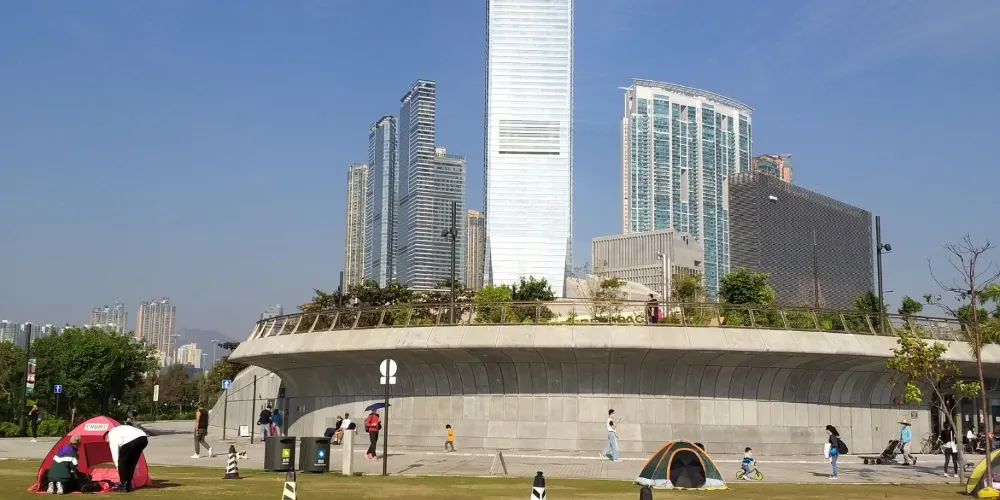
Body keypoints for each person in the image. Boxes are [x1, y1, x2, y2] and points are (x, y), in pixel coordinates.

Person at [104, 424, 148, 493]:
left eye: (108, 442)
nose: (109, 443)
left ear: (107, 437)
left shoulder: (111, 435)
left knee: (122, 462)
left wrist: (117, 465)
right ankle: (129, 485)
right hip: (143, 439)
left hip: (130, 440)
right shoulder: (118, 430)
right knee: (131, 463)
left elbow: (114, 452)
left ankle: (124, 486)